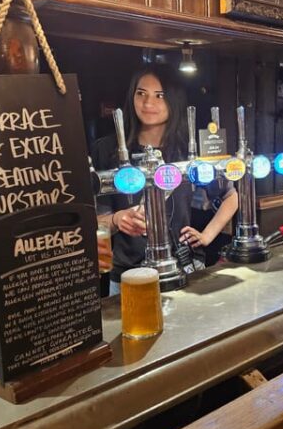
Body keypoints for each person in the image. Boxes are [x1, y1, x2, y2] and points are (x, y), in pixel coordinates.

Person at [92, 64, 238, 294]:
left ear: (174, 101)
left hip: (185, 266)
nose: (148, 104)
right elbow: (94, 221)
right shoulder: (107, 149)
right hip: (130, 276)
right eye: (141, 94)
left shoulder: (188, 150)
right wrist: (118, 219)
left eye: (159, 96)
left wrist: (207, 235)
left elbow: (231, 196)